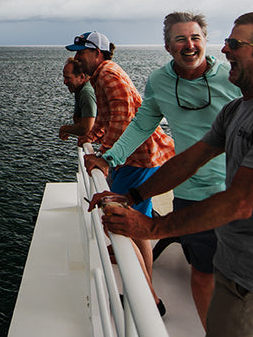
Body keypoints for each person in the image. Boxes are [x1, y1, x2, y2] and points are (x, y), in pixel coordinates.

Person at [88, 11, 253, 337]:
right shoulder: (238, 109)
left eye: (235, 44)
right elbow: (190, 159)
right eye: (227, 41)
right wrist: (134, 195)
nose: (223, 50)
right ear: (168, 46)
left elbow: (240, 201)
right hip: (239, 245)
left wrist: (152, 228)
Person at [84, 12, 241, 328]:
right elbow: (142, 123)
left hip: (239, 190)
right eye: (180, 39)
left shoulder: (231, 77)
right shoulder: (160, 81)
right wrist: (109, 158)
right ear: (168, 46)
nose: (189, 45)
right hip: (192, 191)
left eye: (195, 37)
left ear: (205, 42)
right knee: (203, 274)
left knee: (248, 281)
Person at [67, 31, 176, 308]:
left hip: (136, 159)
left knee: (132, 226)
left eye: (82, 52)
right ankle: (146, 286)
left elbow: (124, 117)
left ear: (98, 54)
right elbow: (106, 117)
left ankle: (150, 297)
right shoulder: (100, 75)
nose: (78, 57)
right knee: (138, 223)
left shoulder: (108, 74)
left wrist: (107, 157)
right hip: (137, 159)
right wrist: (94, 135)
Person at [58, 57, 96, 140]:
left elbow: (86, 128)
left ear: (82, 77)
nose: (64, 82)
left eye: (68, 78)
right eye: (64, 78)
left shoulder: (86, 92)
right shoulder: (79, 90)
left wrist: (64, 129)